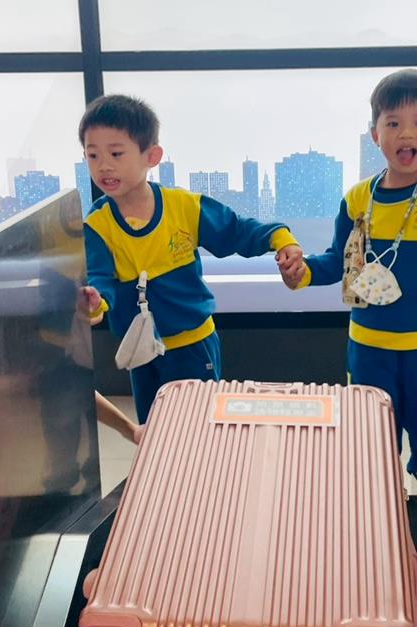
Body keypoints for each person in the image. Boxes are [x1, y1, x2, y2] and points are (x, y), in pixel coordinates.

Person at [278, 69, 417, 503]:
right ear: (375, 134)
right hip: (368, 346)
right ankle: (376, 515)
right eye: (393, 122)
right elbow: (336, 262)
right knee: (371, 442)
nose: (406, 133)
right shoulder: (358, 198)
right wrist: (301, 274)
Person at [78, 94, 303, 422]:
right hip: (142, 349)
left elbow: (236, 230)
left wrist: (279, 238)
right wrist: (96, 304)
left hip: (193, 345)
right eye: (92, 155)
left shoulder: (183, 207)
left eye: (116, 153)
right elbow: (100, 278)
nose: (104, 166)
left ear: (151, 156)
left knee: (200, 427)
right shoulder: (97, 224)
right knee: (154, 427)